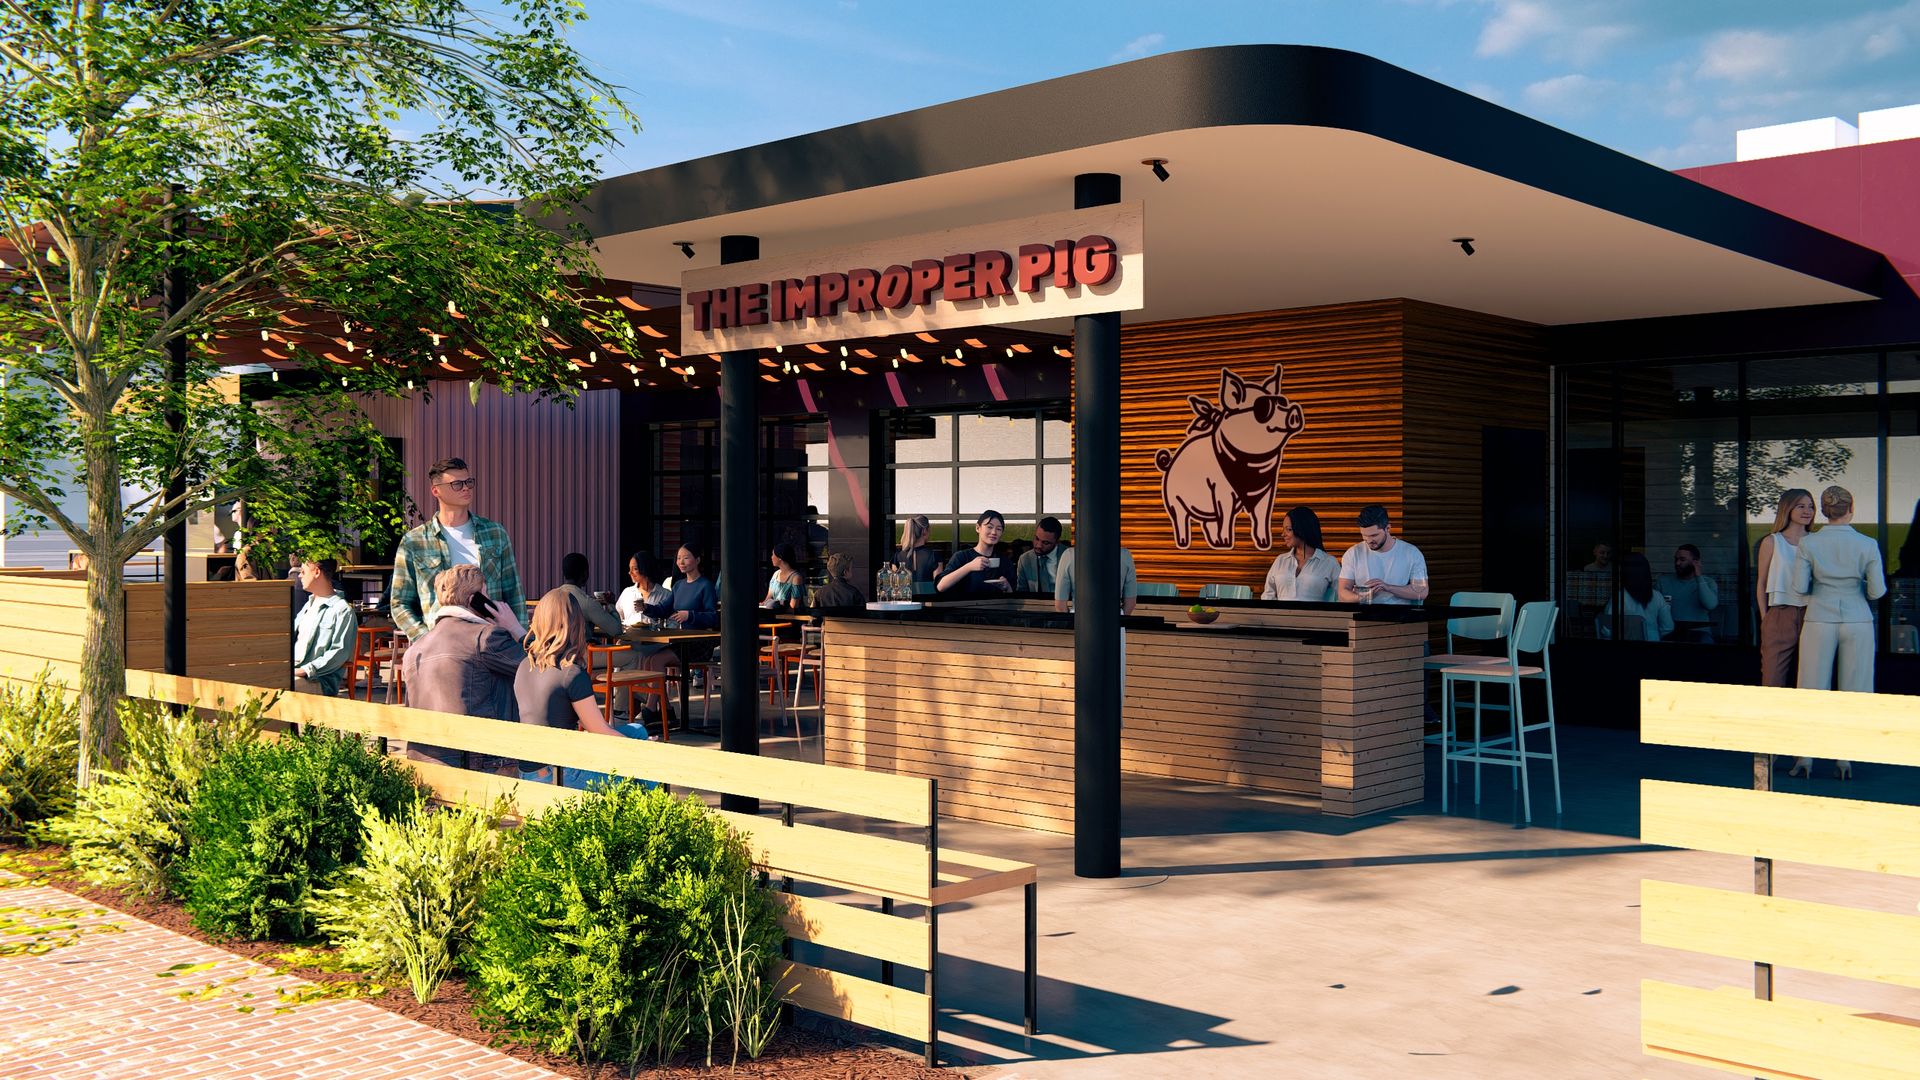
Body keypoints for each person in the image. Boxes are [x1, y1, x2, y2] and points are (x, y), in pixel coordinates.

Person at [1791, 485, 1887, 780]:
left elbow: (1799, 587)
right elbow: (1876, 591)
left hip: (1820, 616)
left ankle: (1804, 757)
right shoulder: (1867, 544)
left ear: (1823, 510)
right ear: (1851, 508)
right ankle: (1844, 759)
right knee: (1854, 690)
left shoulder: (1809, 543)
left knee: (1811, 687)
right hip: (1857, 618)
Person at [516, 588, 649, 788]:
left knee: (637, 730)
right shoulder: (571, 674)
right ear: (576, 625)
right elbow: (599, 731)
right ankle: (651, 815)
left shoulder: (525, 665)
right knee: (644, 758)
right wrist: (644, 752)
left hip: (529, 772)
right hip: (560, 775)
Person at [401, 565, 525, 774]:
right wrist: (515, 628)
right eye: (486, 594)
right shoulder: (487, 638)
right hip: (480, 762)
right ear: (473, 601)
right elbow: (543, 670)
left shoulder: (415, 650)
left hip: (423, 761)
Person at [389, 456, 525, 643]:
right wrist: (425, 639)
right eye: (457, 484)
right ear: (436, 491)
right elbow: (400, 603)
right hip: (441, 644)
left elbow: (513, 593)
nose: (466, 487)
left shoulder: (495, 533)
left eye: (468, 482)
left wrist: (519, 639)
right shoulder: (414, 541)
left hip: (492, 641)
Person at [639, 545, 719, 701]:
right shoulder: (678, 586)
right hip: (682, 640)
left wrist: (690, 615)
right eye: (678, 558)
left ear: (697, 560)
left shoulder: (706, 586)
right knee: (648, 660)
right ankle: (665, 707)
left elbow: (713, 617)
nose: (681, 562)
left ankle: (652, 707)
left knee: (656, 660)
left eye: (686, 557)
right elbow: (663, 609)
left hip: (699, 642)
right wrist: (645, 607)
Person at [1756, 489, 1814, 689]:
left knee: (1811, 677)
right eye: (1801, 506)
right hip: (1780, 613)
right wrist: (1766, 619)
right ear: (1787, 508)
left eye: (1811, 506)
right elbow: (1761, 583)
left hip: (1812, 613)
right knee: (1773, 678)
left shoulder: (1817, 542)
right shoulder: (1772, 542)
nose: (1808, 511)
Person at [1337, 505, 1429, 605]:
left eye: (1374, 535)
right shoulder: (1353, 553)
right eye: (1364, 535)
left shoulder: (1411, 553)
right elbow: (1342, 594)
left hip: (1400, 616)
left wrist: (1388, 587)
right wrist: (1364, 597)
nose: (1369, 540)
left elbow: (1422, 592)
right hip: (1363, 616)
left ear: (1388, 528)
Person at [292, 557, 357, 696]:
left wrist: (305, 670)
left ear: (316, 572)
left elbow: (339, 652)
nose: (299, 575)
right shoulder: (308, 605)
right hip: (292, 670)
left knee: (277, 689)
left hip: (317, 680)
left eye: (303, 571)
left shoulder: (342, 610)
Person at [1261, 506, 1340, 601]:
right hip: (1281, 616)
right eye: (1284, 529)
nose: (1283, 534)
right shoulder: (1280, 560)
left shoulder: (1329, 562)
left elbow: (1342, 595)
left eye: (1288, 529)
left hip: (1313, 616)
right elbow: (1267, 595)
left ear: (1302, 529)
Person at [1598, 553, 1673, 640]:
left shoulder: (1619, 597)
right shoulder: (1657, 596)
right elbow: (1668, 627)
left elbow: (1607, 629)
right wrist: (1652, 635)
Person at [938, 510, 1014, 594]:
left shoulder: (1005, 561)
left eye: (998, 529)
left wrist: (1007, 587)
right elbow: (941, 586)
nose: (994, 532)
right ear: (978, 528)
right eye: (989, 527)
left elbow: (1014, 597)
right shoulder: (962, 556)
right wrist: (969, 567)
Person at [1658, 544, 1720, 643]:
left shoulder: (1708, 582)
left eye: (1682, 560)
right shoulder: (1663, 581)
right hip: (1670, 632)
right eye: (1676, 559)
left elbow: (1711, 605)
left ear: (1695, 562)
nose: (1677, 563)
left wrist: (1699, 577)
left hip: (1699, 633)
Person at [614, 551, 670, 627]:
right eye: (630, 568)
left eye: (635, 569)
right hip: (629, 637)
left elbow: (672, 623)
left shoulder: (665, 595)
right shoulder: (627, 593)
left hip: (654, 637)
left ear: (646, 568)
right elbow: (617, 618)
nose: (630, 572)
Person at [1016, 516, 1069, 594]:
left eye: (1045, 543)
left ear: (1057, 542)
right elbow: (1021, 593)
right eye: (1037, 539)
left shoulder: (1070, 557)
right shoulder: (1025, 560)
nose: (1038, 545)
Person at [893, 514, 942, 584]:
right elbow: (937, 586)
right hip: (928, 594)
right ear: (924, 531)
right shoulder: (934, 556)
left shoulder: (897, 557)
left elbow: (895, 586)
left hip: (906, 595)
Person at [763, 542, 806, 610]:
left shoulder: (796, 578)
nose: (771, 557)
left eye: (773, 554)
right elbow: (768, 599)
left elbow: (794, 606)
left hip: (789, 618)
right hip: (773, 615)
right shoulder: (776, 574)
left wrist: (775, 603)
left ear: (780, 557)